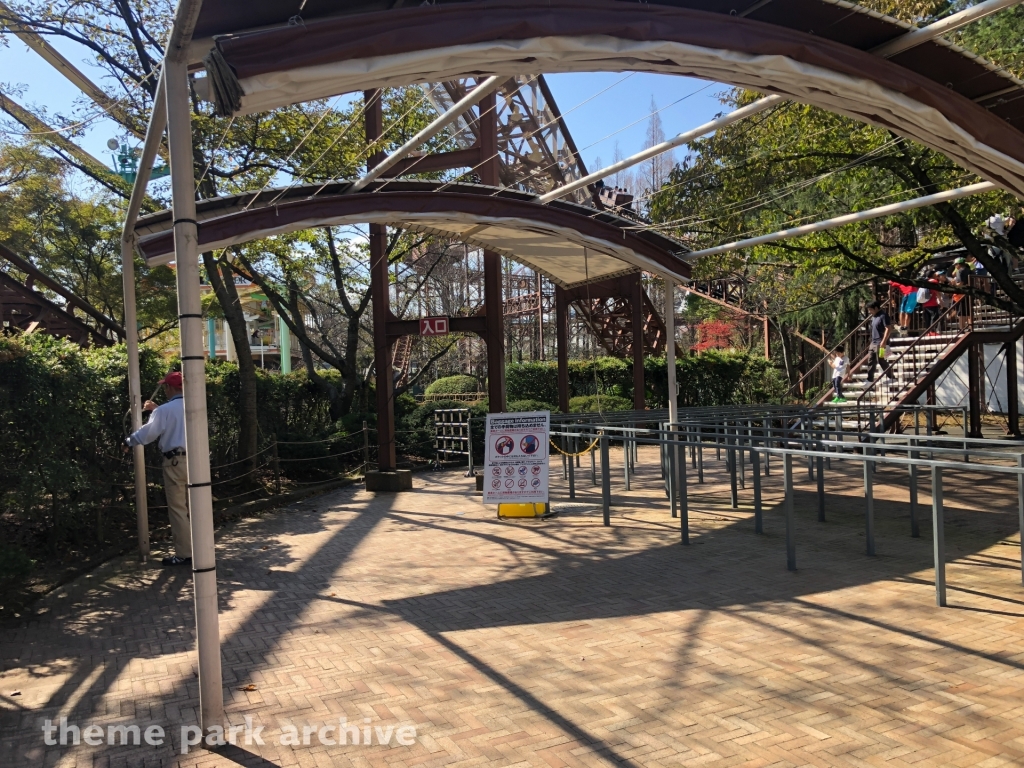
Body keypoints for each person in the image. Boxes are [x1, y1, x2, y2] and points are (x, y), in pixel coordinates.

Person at [125, 371, 191, 566]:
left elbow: (149, 433)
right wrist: (157, 410)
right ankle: (202, 549)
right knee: (198, 507)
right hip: (197, 461)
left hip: (175, 462)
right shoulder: (195, 405)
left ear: (169, 387)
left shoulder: (164, 410)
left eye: (165, 387)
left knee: (178, 509)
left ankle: (185, 554)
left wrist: (128, 441)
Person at [866, 300, 894, 383]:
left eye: (870, 309)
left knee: (882, 360)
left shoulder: (883, 315)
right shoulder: (874, 317)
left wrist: (884, 341)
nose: (869, 312)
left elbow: (888, 328)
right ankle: (869, 379)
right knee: (871, 360)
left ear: (876, 308)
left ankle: (891, 377)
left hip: (881, 342)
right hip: (873, 342)